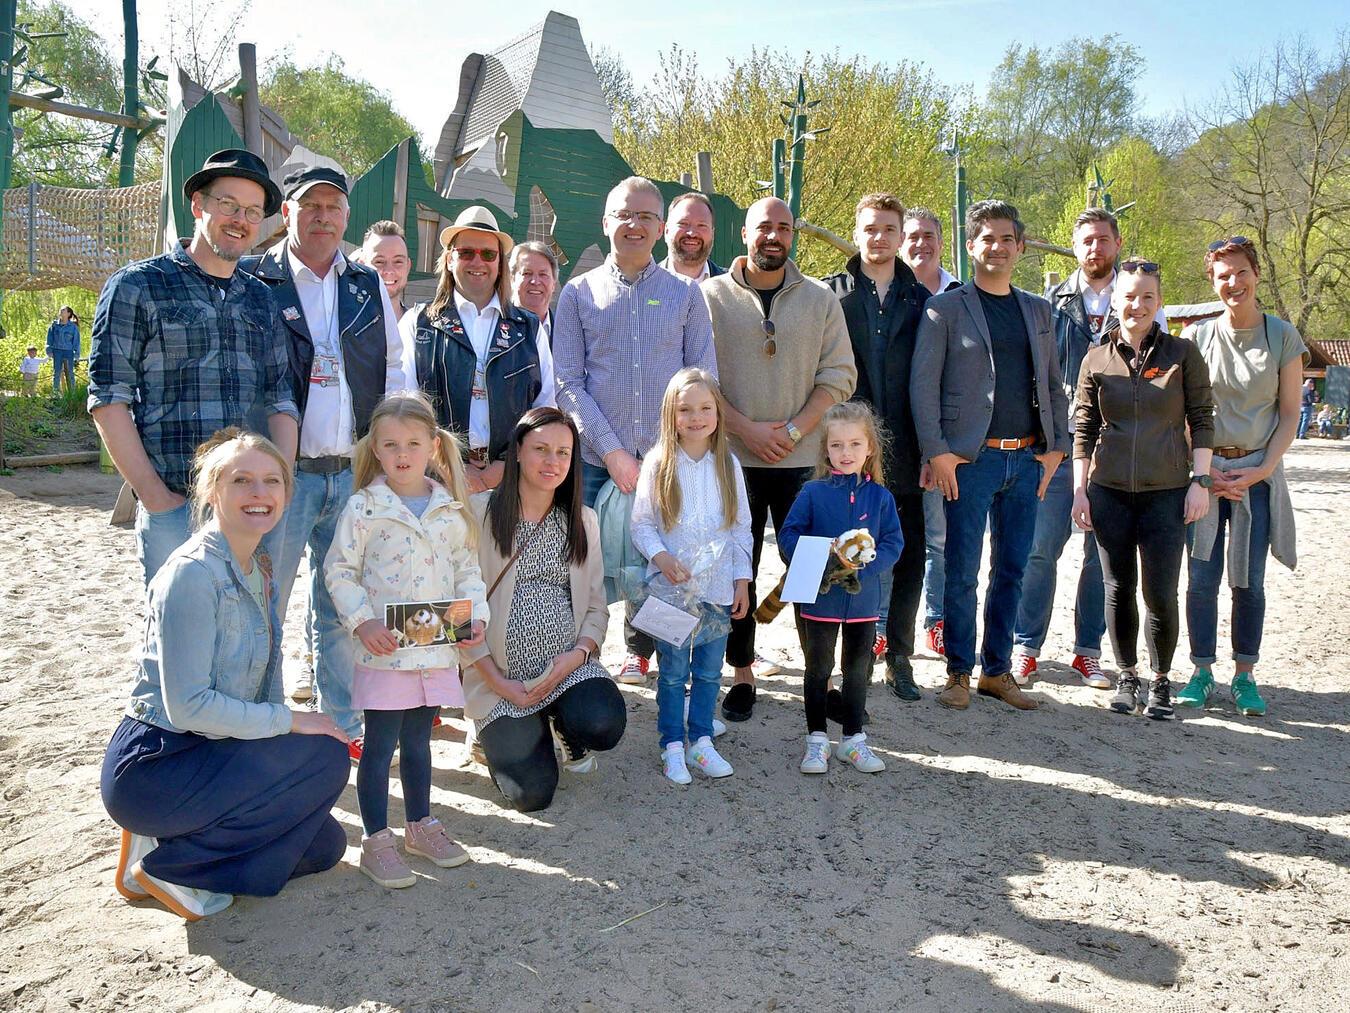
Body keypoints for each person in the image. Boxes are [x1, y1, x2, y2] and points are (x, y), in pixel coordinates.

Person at [101, 429, 349, 922]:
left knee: (325, 845)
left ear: (286, 492)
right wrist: (292, 723)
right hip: (160, 763)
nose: (260, 494)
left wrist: (284, 728)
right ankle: (169, 866)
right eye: (242, 481)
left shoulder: (258, 563)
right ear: (213, 492)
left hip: (216, 749)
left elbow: (266, 677)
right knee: (325, 756)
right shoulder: (191, 574)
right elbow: (188, 706)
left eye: (272, 481)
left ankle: (170, 842)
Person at [240, 165, 408, 753]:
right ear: (286, 213)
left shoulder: (365, 285)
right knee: (265, 604)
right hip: (282, 478)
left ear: (346, 218)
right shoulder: (255, 279)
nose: (323, 216)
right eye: (310, 205)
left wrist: (392, 454)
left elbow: (393, 368)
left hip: (351, 471)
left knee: (342, 607)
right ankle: (265, 721)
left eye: (334, 207)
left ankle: (344, 725)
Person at [89, 148, 298, 585]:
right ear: (198, 205)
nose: (240, 219)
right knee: (174, 640)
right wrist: (155, 497)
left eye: (252, 211)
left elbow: (281, 399)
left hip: (249, 506)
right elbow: (109, 400)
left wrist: (279, 488)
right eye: (228, 205)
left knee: (252, 637)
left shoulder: (262, 299)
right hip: (174, 503)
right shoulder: (137, 285)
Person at [554, 176, 717, 685]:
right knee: (584, 570)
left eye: (646, 216)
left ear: (661, 227)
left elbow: (703, 379)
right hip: (596, 464)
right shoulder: (578, 294)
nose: (635, 224)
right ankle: (581, 671)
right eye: (625, 214)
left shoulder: (687, 296)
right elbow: (567, 383)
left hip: (669, 463)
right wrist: (615, 452)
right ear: (606, 223)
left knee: (663, 571)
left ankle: (664, 673)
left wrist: (669, 453)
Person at [910, 199, 1069, 713]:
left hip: (1026, 461)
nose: (996, 247)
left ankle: (997, 672)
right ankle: (958, 670)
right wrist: (937, 453)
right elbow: (923, 387)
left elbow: (1052, 385)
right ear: (971, 246)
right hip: (968, 462)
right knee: (960, 569)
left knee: (1012, 569)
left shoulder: (1039, 310)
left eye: (1006, 238)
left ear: (1020, 247)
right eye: (987, 239)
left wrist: (1055, 451)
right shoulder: (946, 308)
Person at [702, 196, 857, 721]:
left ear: (794, 236)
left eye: (784, 228)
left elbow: (839, 376)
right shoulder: (708, 298)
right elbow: (697, 380)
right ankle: (741, 672)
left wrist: (793, 430)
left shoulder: (820, 300)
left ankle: (821, 677)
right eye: (763, 227)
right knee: (736, 568)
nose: (774, 236)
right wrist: (744, 428)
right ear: (743, 234)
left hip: (804, 460)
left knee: (813, 568)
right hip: (733, 460)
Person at [325, 392, 487, 888]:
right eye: (390, 444)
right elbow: (340, 571)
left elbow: (467, 572)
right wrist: (362, 622)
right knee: (379, 747)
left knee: (420, 742)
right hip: (385, 653)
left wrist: (472, 618)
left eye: (413, 444)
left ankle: (420, 825)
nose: (401, 454)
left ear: (433, 446)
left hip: (436, 650)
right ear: (374, 448)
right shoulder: (364, 508)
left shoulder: (450, 510)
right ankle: (377, 840)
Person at [1012, 208, 1167, 690]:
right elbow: (1034, 375)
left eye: (1103, 239)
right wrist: (1042, 438)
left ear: (1117, 244)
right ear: (1074, 247)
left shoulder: (1141, 301)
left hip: (1117, 450)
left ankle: (1088, 652)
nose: (1095, 248)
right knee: (1040, 550)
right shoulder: (1049, 302)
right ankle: (1026, 647)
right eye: (1086, 241)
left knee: (1100, 558)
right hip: (1059, 444)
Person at [459, 407, 626, 812]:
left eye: (563, 453)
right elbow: (455, 611)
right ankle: (495, 732)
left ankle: (561, 721)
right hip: (497, 678)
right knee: (532, 796)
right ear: (517, 452)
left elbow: (597, 609)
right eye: (541, 450)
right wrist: (496, 681)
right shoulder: (477, 514)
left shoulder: (582, 520)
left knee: (604, 724)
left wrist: (577, 656)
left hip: (566, 669)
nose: (553, 462)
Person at [1070, 259, 1215, 720]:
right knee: (1118, 588)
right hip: (1108, 490)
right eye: (1129, 296)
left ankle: (1161, 680)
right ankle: (1127, 674)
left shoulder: (1182, 354)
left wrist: (1201, 481)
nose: (1137, 305)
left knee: (1161, 591)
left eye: (1147, 297)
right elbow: (1084, 429)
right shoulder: (1096, 358)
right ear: (1116, 300)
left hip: (1167, 492)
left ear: (1158, 302)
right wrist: (1080, 490)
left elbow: (1203, 419)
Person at [1175, 237, 1307, 718]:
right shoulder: (1197, 338)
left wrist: (1262, 470)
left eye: (1241, 271)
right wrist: (1204, 471)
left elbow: (1290, 413)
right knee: (1201, 578)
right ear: (1212, 280)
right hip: (1207, 471)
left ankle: (1245, 674)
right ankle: (1202, 671)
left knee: (1248, 581)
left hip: (1258, 472)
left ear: (1256, 274)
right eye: (1223, 274)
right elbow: (1186, 412)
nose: (1233, 282)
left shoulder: (1282, 337)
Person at [822, 193, 932, 701]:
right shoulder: (832, 294)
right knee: (842, 549)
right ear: (858, 230)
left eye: (890, 228)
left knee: (905, 554)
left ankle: (901, 657)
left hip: (907, 447)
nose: (879, 237)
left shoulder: (923, 300)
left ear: (900, 234)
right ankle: (844, 657)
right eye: (870, 228)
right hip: (847, 446)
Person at [630, 368, 751, 784]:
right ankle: (672, 745)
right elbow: (642, 524)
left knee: (708, 672)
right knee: (674, 671)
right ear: (671, 413)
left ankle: (701, 741)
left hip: (716, 589)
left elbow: (740, 528)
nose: (695, 417)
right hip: (669, 592)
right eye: (685, 409)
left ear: (718, 412)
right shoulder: (658, 463)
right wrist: (661, 557)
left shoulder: (728, 465)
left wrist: (741, 579)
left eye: (704, 408)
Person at [779, 401, 902, 773]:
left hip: (863, 602)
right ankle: (816, 740)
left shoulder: (881, 498)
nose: (845, 453)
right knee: (818, 668)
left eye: (854, 445)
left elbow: (894, 543)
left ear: (870, 449)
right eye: (836, 445)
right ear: (825, 448)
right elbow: (787, 534)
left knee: (857, 667)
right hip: (820, 599)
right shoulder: (813, 492)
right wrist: (818, 560)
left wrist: (867, 566)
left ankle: (853, 740)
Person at [407, 206, 554, 497]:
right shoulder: (418, 324)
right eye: (466, 252)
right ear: (449, 259)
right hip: (436, 482)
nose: (478, 261)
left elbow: (545, 410)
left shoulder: (529, 329)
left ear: (500, 263)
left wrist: (508, 465)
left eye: (488, 254)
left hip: (510, 482)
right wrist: (448, 465)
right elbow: (406, 409)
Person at [899, 207, 962, 659]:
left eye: (929, 236)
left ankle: (935, 622)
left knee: (939, 538)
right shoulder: (894, 293)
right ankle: (881, 622)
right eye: (913, 236)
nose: (921, 244)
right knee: (891, 535)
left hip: (945, 440)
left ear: (943, 241)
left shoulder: (962, 296)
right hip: (896, 435)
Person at [353, 220, 413, 321]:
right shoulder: (345, 324)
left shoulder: (420, 329)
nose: (389, 271)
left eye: (398, 261)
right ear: (361, 265)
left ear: (408, 266)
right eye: (379, 262)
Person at [662, 191, 725, 282]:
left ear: (712, 234)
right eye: (683, 223)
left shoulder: (733, 290)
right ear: (666, 231)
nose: (692, 233)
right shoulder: (643, 286)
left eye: (701, 225)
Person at [509, 241, 560, 346]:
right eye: (527, 273)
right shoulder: (493, 325)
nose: (535, 282)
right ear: (512, 279)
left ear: (554, 283)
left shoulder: (566, 333)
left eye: (543, 274)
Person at [46, 306, 80, 394]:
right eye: (61, 310)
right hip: (57, 351)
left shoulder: (73, 327)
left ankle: (72, 393)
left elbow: (76, 341)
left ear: (68, 314)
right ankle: (55, 393)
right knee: (56, 372)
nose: (61, 311)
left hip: (68, 352)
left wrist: (77, 354)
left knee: (70, 373)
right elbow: (49, 338)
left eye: (63, 310)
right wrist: (49, 350)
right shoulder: (54, 325)